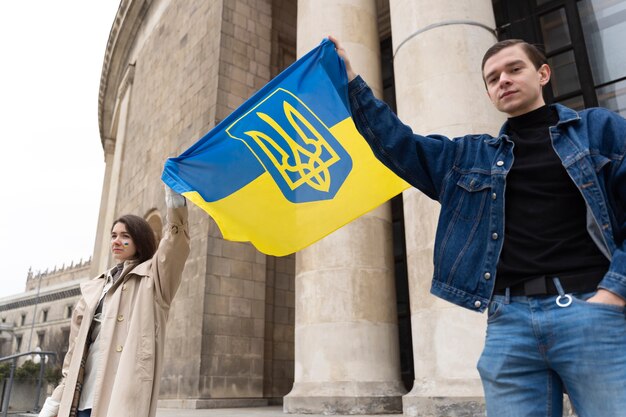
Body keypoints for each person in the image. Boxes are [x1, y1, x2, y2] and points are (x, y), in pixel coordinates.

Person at [329, 36, 626, 416]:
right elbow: (398, 144)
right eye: (492, 78)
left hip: (588, 310)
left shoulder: (597, 129)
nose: (503, 80)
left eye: (514, 69)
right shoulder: (468, 156)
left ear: (543, 73)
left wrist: (613, 294)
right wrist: (352, 81)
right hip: (509, 323)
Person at [38, 186, 190, 417]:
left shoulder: (154, 278)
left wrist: (175, 202)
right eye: (114, 235)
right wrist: (57, 399)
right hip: (80, 400)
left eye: (125, 236)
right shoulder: (94, 289)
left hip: (122, 398)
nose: (117, 241)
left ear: (140, 240)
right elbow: (74, 354)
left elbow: (174, 245)